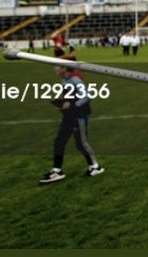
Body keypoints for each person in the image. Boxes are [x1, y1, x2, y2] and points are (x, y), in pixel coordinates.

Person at [38, 52, 104, 184]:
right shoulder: (65, 80)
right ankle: (57, 171)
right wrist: (63, 104)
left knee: (81, 143)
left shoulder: (75, 80)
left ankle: (95, 167)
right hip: (69, 115)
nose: (55, 68)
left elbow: (87, 96)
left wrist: (71, 105)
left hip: (79, 116)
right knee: (59, 141)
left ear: (64, 68)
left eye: (57, 66)